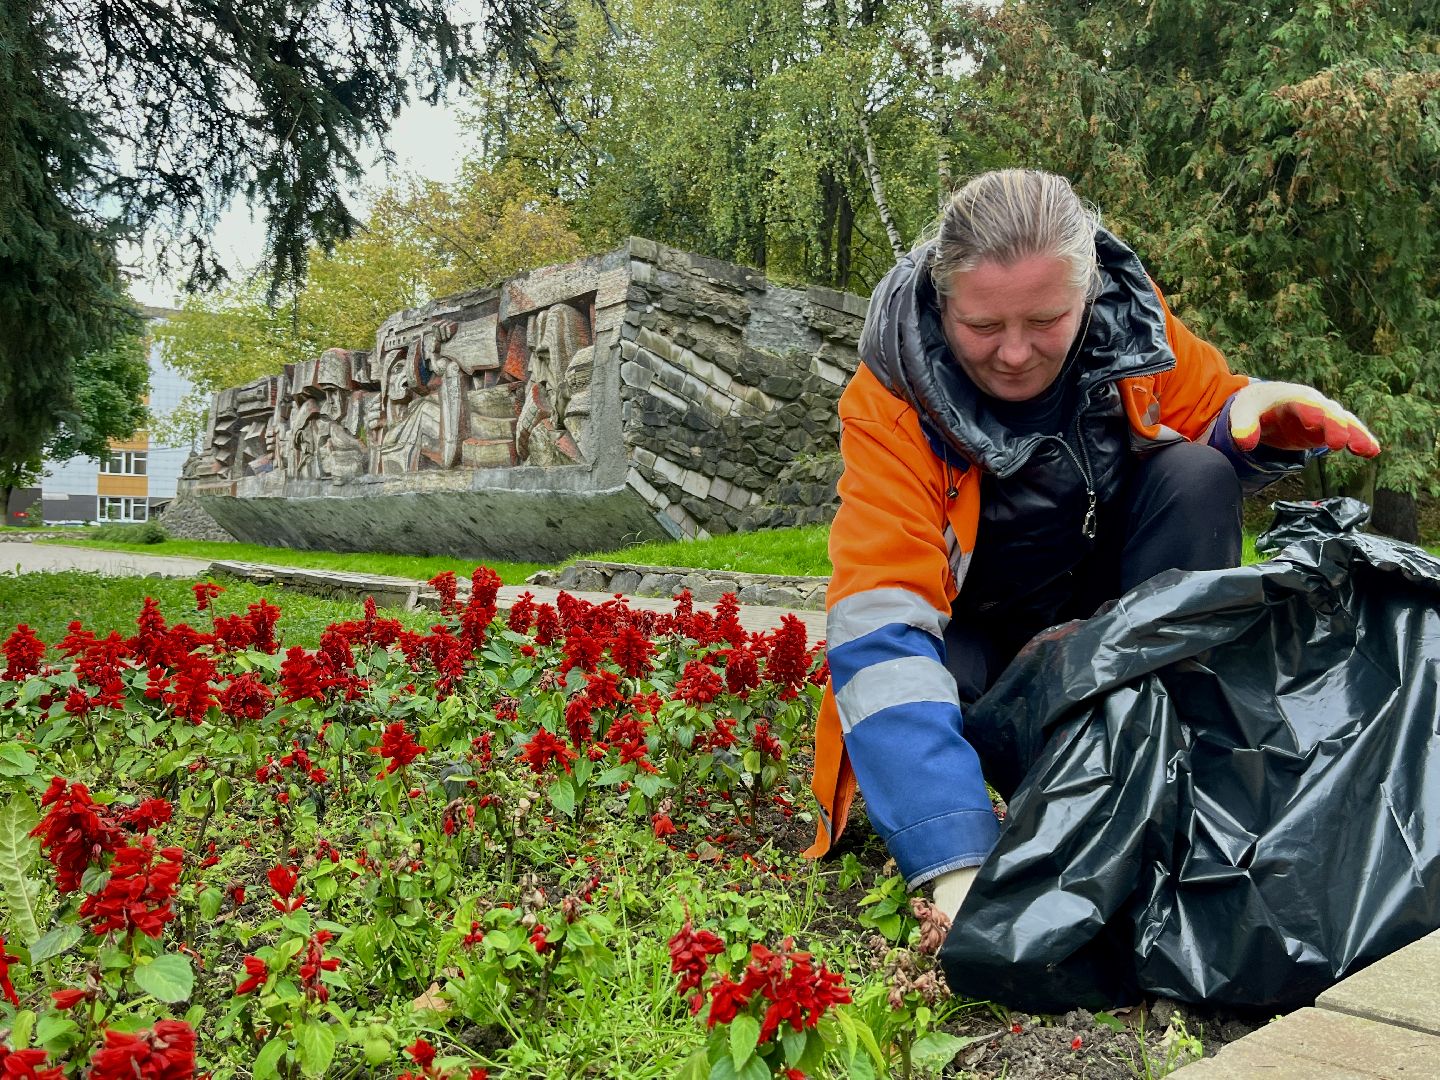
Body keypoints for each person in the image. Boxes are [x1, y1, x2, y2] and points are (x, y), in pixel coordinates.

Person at [804, 169, 1380, 922]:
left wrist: (1260, 414)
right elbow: (880, 629)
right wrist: (956, 861)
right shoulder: (888, 404)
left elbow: (1207, 411)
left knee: (1198, 475)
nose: (1014, 353)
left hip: (1092, 624)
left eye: (1046, 320)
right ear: (943, 303)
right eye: (982, 327)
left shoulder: (1132, 327)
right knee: (925, 668)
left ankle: (1181, 766)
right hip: (972, 648)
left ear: (1090, 292)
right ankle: (1035, 778)